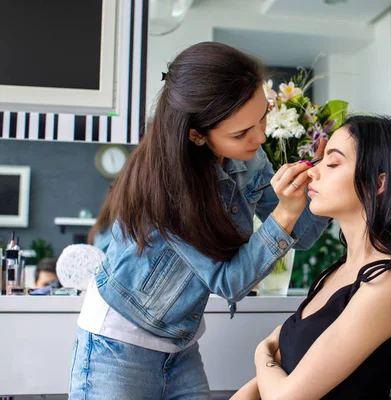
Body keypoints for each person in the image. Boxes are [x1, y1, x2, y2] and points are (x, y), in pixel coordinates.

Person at [69, 42, 330, 399]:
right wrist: (284, 212)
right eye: (241, 133)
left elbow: (302, 235)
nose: (261, 137)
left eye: (263, 117)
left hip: (179, 347)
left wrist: (321, 185)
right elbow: (230, 281)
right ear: (196, 135)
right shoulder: (167, 188)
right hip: (116, 345)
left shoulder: (250, 161)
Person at [233, 115, 391, 400]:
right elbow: (274, 378)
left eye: (333, 163)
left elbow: (284, 396)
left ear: (379, 183)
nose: (313, 172)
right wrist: (266, 360)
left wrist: (261, 353)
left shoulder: (390, 284)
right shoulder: (336, 274)